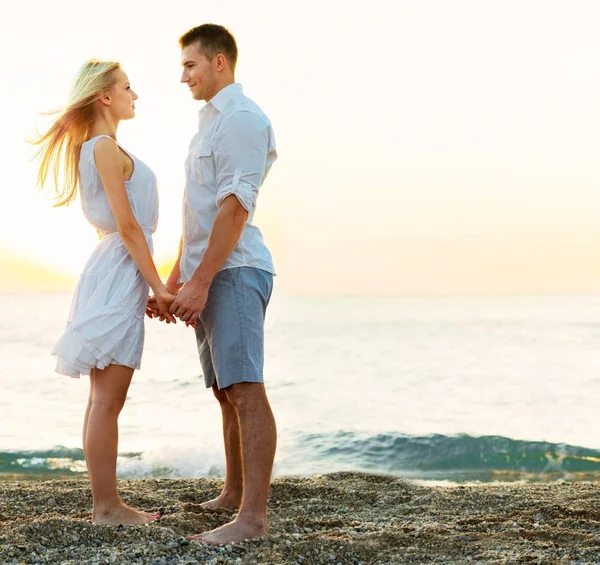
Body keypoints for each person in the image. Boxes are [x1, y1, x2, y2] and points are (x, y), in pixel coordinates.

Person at [148, 24, 278, 544]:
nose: (183, 77)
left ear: (219, 62)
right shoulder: (208, 124)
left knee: (246, 390)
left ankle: (253, 520)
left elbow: (234, 209)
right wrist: (175, 281)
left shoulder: (242, 120)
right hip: (209, 272)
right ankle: (232, 494)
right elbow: (196, 215)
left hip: (236, 270)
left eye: (190, 66)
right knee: (225, 391)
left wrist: (200, 282)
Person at [33, 60, 176, 525]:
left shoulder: (92, 150)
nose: (136, 95)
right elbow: (129, 226)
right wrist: (157, 286)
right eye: (128, 88)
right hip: (117, 274)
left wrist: (144, 282)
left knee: (102, 400)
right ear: (105, 97)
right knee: (108, 401)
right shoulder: (106, 150)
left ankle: (106, 504)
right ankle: (108, 507)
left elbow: (114, 230)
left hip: (110, 271)